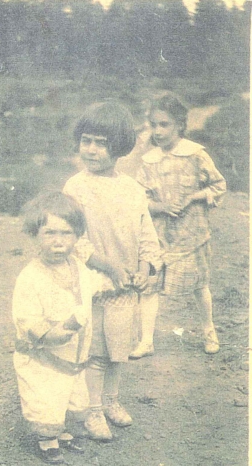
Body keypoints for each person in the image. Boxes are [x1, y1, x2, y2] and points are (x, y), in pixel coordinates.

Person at [63, 101, 161, 442]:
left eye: (101, 143)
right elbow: (75, 239)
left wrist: (145, 267)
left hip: (125, 287)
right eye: (86, 140)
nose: (91, 149)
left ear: (118, 146)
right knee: (94, 353)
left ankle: (111, 401)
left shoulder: (132, 189)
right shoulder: (76, 187)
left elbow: (147, 233)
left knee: (118, 350)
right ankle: (92, 411)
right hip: (94, 282)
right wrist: (109, 266)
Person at [130, 93, 226, 359]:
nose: (158, 131)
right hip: (159, 235)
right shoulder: (149, 161)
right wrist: (160, 207)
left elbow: (218, 185)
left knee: (199, 284)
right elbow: (138, 197)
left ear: (180, 125)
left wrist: (193, 197)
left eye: (165, 125)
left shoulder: (195, 155)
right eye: (154, 125)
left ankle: (209, 331)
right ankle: (146, 340)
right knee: (150, 285)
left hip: (192, 233)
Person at [12, 191, 103, 464]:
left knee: (71, 392)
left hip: (73, 350)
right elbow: (26, 317)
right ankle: (47, 439)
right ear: (35, 235)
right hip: (44, 352)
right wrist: (52, 333)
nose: (58, 242)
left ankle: (62, 431)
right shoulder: (31, 276)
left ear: (77, 237)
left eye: (66, 234)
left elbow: (92, 285)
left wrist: (109, 285)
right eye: (50, 233)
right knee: (45, 397)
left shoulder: (76, 266)